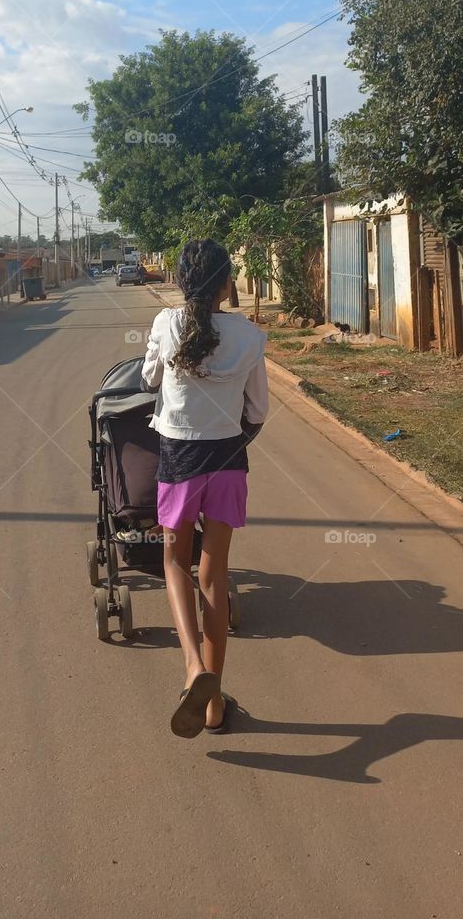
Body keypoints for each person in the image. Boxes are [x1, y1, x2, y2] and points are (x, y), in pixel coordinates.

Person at [141, 238, 268, 739]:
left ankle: (193, 667)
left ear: (179, 281)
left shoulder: (166, 325)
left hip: (179, 458)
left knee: (176, 561)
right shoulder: (249, 336)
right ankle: (213, 708)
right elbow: (257, 412)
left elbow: (150, 377)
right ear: (225, 283)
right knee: (215, 572)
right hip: (229, 458)